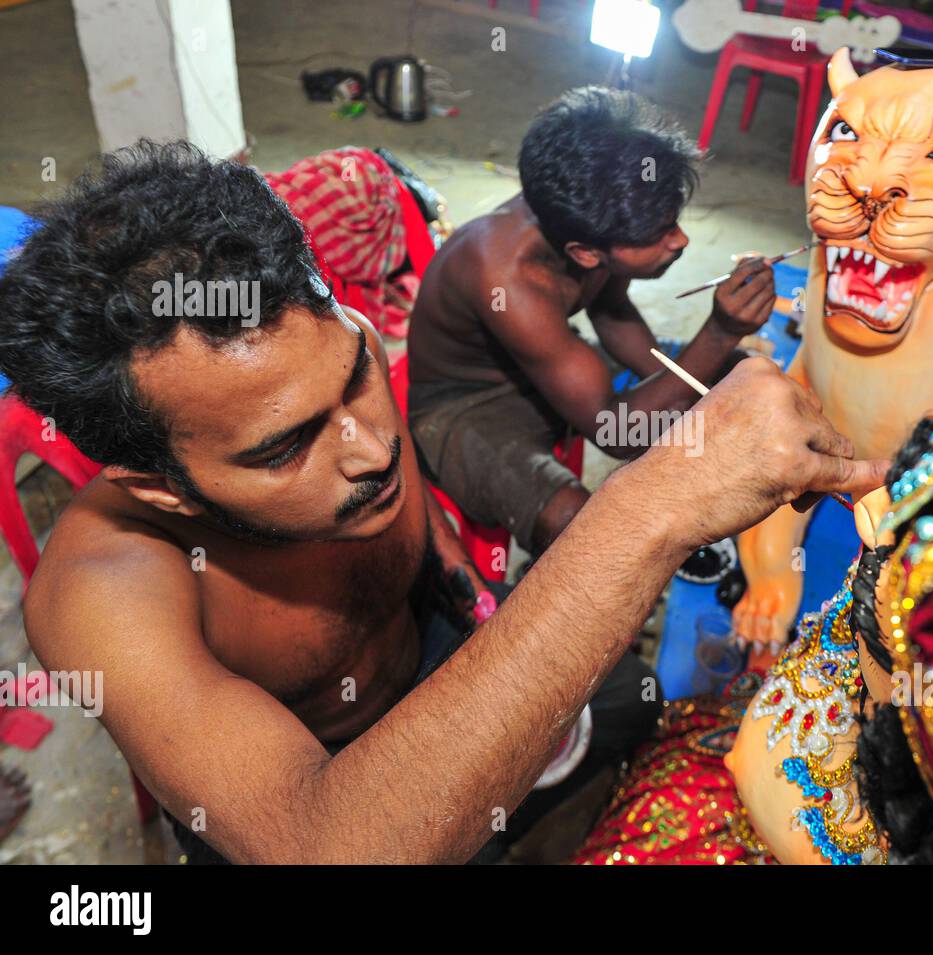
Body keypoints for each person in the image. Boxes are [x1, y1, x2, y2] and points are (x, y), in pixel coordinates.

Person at [0, 140, 881, 864]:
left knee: (653, 709)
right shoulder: (104, 593)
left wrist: (456, 572)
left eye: (356, 372)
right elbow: (329, 847)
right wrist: (652, 504)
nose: (372, 447)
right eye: (283, 446)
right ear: (158, 486)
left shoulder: (345, 412)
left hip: (439, 646)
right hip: (324, 803)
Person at [406, 86, 778, 555]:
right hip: (464, 407)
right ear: (584, 253)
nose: (680, 240)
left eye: (674, 220)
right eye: (658, 233)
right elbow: (616, 433)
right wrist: (718, 333)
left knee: (733, 373)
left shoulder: (588, 208)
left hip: (545, 361)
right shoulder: (510, 278)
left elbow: (612, 311)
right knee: (585, 533)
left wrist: (687, 376)